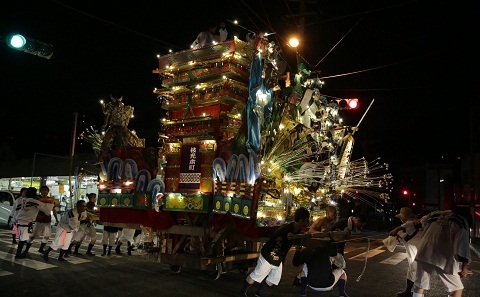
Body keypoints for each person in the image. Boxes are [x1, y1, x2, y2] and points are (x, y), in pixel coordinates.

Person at [239, 207, 310, 297]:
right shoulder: (287, 228)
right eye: (306, 220)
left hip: (279, 256)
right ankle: (243, 292)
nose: (307, 223)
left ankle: (260, 292)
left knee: (274, 277)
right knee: (257, 274)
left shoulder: (297, 229)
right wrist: (290, 237)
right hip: (269, 253)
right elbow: (282, 237)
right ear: (301, 219)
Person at [404, 209, 471, 297]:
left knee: (420, 284)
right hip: (442, 256)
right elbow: (463, 244)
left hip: (423, 250)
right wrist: (464, 267)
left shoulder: (434, 214)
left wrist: (400, 228)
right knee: (456, 288)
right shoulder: (461, 221)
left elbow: (418, 223)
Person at [293, 205, 337, 286]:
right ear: (328, 213)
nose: (335, 215)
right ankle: (300, 279)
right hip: (315, 244)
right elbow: (311, 230)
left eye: (336, 213)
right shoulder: (321, 220)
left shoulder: (331, 222)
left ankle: (301, 279)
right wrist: (322, 234)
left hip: (323, 245)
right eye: (333, 213)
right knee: (309, 262)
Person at [11, 187, 55, 259]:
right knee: (23, 239)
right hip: (25, 222)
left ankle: (20, 253)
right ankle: (18, 254)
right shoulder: (33, 201)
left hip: (21, 221)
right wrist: (52, 202)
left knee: (23, 238)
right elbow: (45, 207)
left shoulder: (22, 200)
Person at [388, 207, 422, 297]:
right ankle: (409, 291)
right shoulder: (417, 223)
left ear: (403, 218)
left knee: (415, 271)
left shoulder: (405, 227)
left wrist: (375, 242)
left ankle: (413, 293)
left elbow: (390, 241)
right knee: (413, 271)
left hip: (416, 252)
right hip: (423, 249)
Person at [26, 185, 59, 253]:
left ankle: (41, 249)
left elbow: (53, 209)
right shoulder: (37, 199)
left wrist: (56, 219)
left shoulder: (51, 200)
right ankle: (26, 249)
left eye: (45, 190)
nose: (44, 192)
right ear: (40, 192)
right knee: (33, 235)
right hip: (39, 219)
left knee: (47, 235)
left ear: (48, 191)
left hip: (47, 219)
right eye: (42, 190)